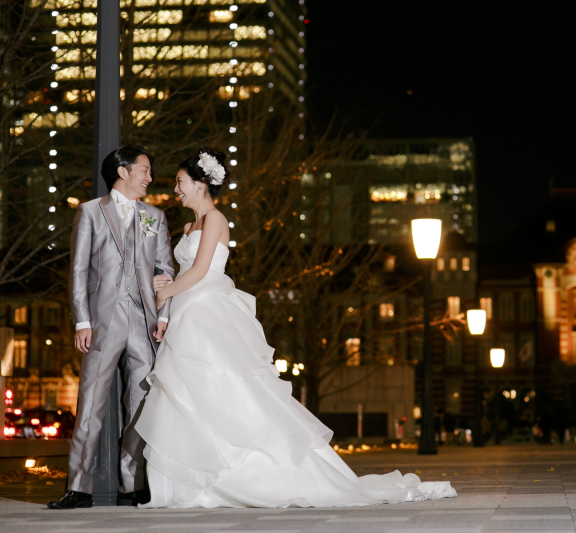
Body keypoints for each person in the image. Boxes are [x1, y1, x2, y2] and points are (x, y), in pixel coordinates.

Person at [136, 149, 456, 508]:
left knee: (226, 388)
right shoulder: (187, 227)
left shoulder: (214, 220)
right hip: (187, 312)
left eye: (180, 182)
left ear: (200, 184)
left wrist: (161, 294)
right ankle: (193, 480)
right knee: (188, 395)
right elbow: (183, 274)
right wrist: (165, 312)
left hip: (208, 311)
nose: (175, 189)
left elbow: (199, 271)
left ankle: (239, 474)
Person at [49, 146, 175, 510]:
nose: (150, 178)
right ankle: (79, 487)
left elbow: (165, 268)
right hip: (103, 320)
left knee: (141, 402)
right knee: (90, 403)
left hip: (144, 323)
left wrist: (162, 313)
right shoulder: (90, 211)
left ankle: (132, 484)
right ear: (123, 172)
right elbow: (78, 270)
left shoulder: (155, 216)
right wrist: (82, 320)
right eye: (145, 170)